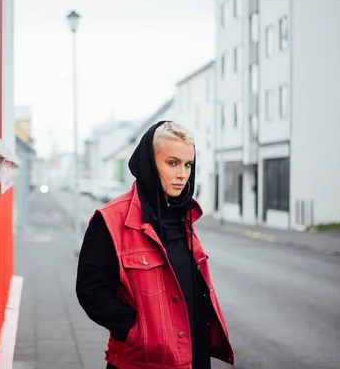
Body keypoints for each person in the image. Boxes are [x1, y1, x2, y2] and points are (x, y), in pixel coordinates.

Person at [75, 121, 234, 369]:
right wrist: (139, 333)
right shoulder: (110, 220)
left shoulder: (184, 216)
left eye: (188, 164)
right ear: (150, 163)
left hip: (194, 357)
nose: (182, 174)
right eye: (172, 163)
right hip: (142, 361)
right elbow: (91, 291)